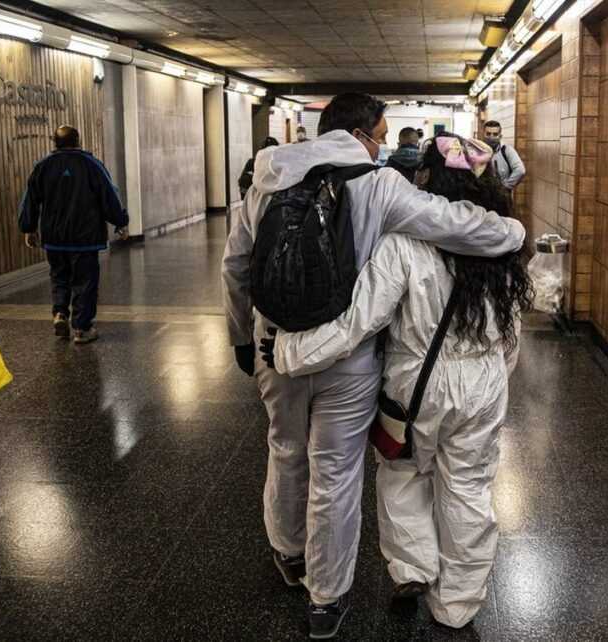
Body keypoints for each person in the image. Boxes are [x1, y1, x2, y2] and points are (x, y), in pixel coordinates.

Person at [221, 93, 525, 640]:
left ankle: (289, 551)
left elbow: (236, 263)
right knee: (336, 472)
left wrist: (243, 338)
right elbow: (454, 225)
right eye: (381, 136)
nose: (382, 146)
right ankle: (327, 596)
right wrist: (514, 233)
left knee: (285, 447)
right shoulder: (380, 185)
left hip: (275, 340)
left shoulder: (266, 178)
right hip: (351, 362)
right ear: (360, 134)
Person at [18, 125, 128, 345]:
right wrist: (120, 222)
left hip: (54, 238)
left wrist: (28, 228)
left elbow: (30, 199)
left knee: (59, 277)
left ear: (55, 142)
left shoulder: (43, 166)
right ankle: (82, 328)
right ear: (78, 141)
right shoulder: (92, 165)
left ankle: (60, 313)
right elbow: (109, 195)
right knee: (85, 282)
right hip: (85, 238)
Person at [482, 121, 526, 190]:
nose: (491, 137)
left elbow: (520, 170)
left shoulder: (507, 150)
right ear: (483, 135)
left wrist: (505, 187)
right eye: (488, 134)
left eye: (495, 134)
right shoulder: (476, 151)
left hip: (500, 194)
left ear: (500, 136)